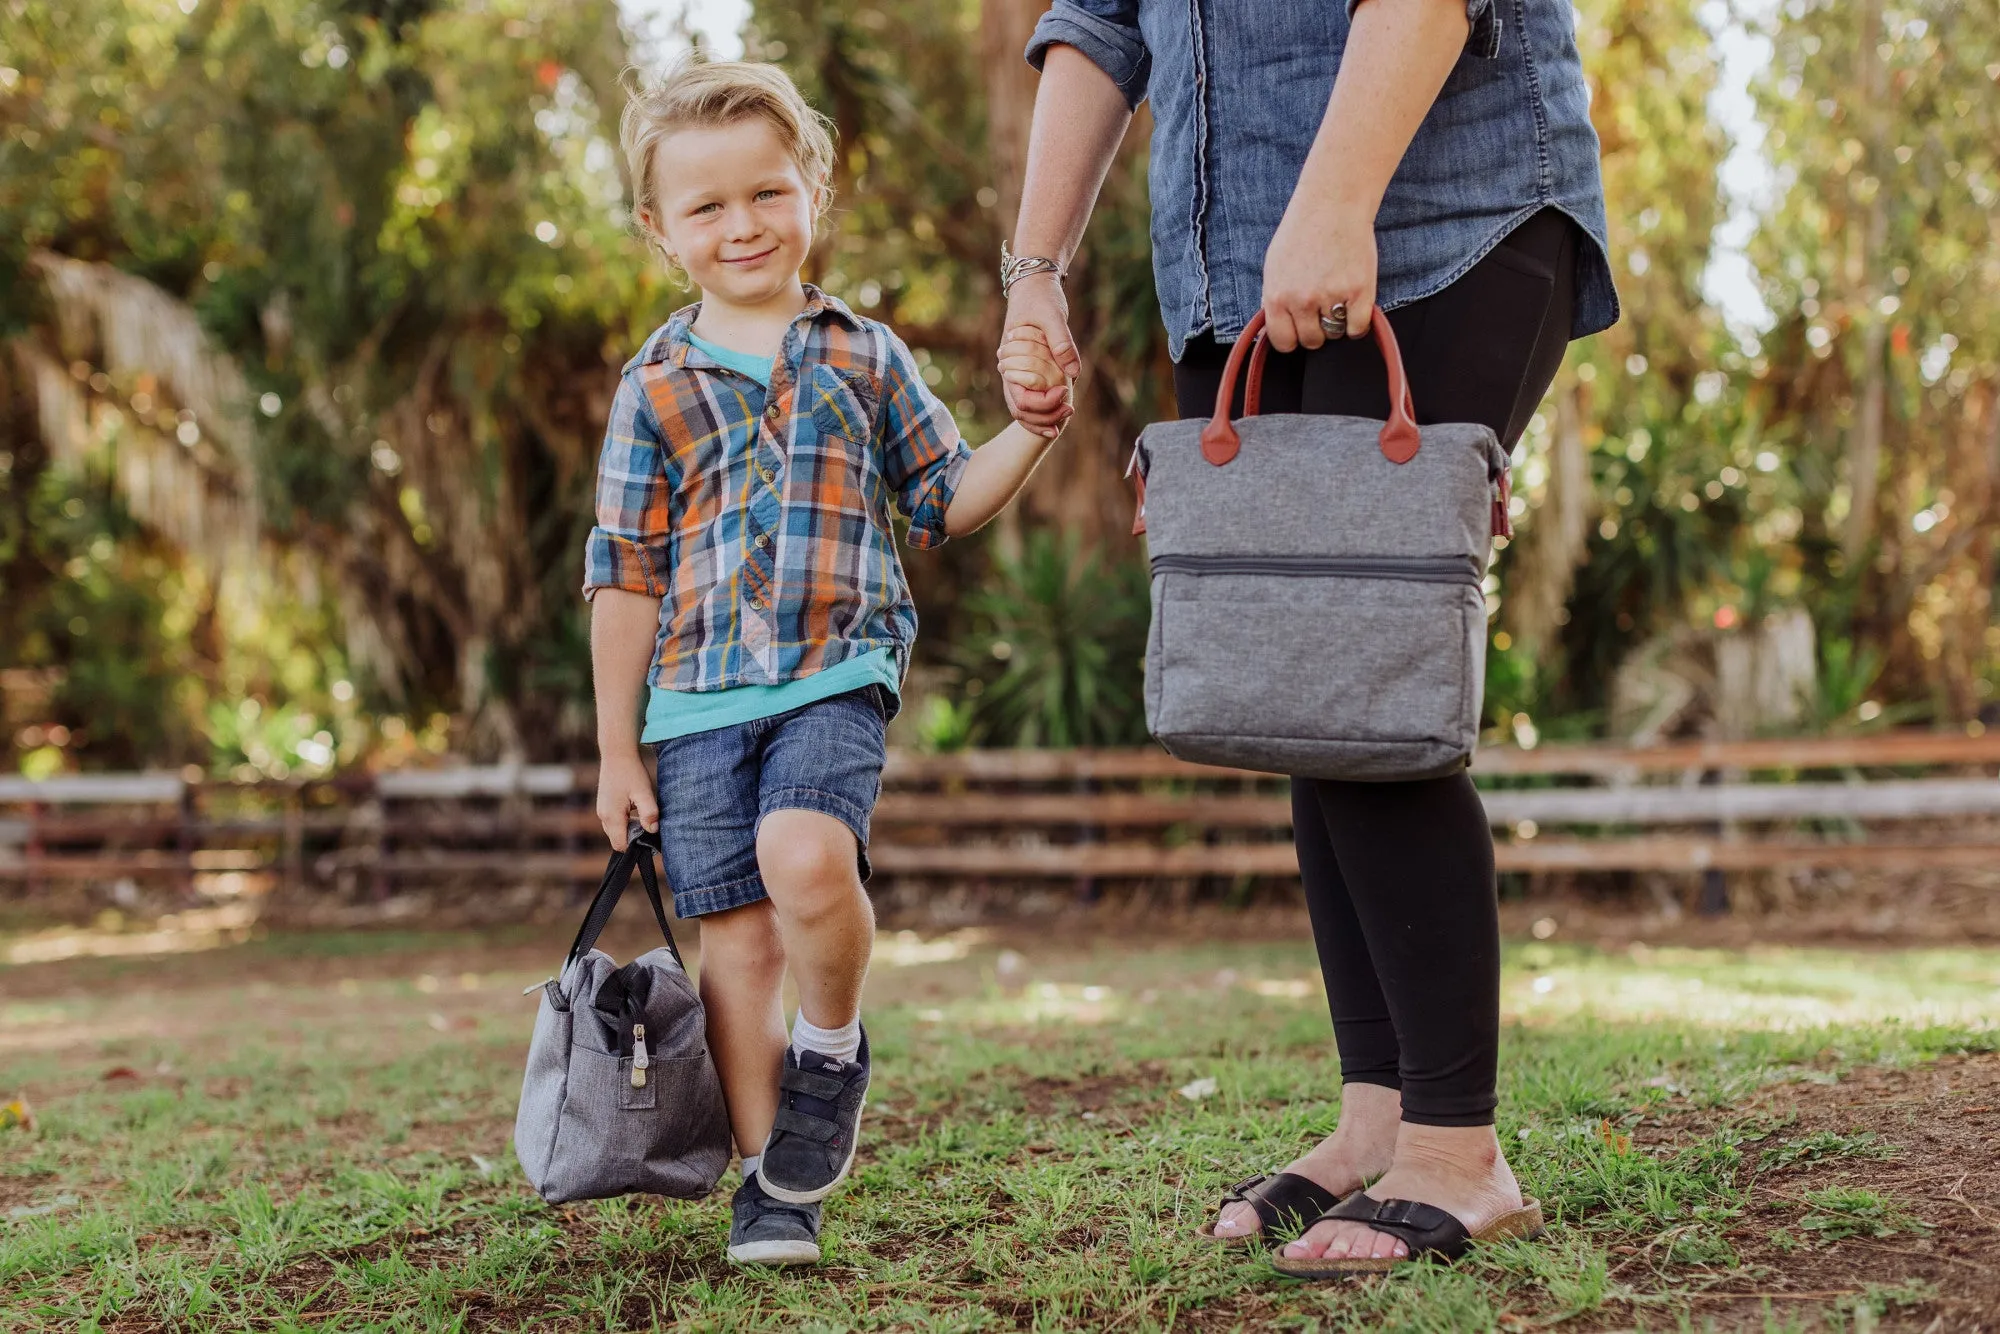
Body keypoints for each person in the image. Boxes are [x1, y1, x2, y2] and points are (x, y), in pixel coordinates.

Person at [999, 0, 1618, 1276]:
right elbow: (1100, 22)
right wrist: (1035, 267)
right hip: (1229, 265)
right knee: (1303, 683)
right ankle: (1377, 1117)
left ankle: (1457, 1151)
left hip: (1438, 216)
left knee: (1359, 673)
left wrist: (1338, 198)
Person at [588, 55, 1066, 1267]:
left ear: (811, 189)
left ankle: (835, 1044)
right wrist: (613, 748)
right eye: (706, 205)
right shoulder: (651, 384)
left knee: (803, 855)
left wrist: (1032, 430)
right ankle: (773, 1189)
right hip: (695, 700)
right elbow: (625, 571)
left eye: (765, 192)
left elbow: (946, 497)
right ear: (659, 228)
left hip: (832, 671)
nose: (741, 223)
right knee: (735, 946)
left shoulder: (863, 355)